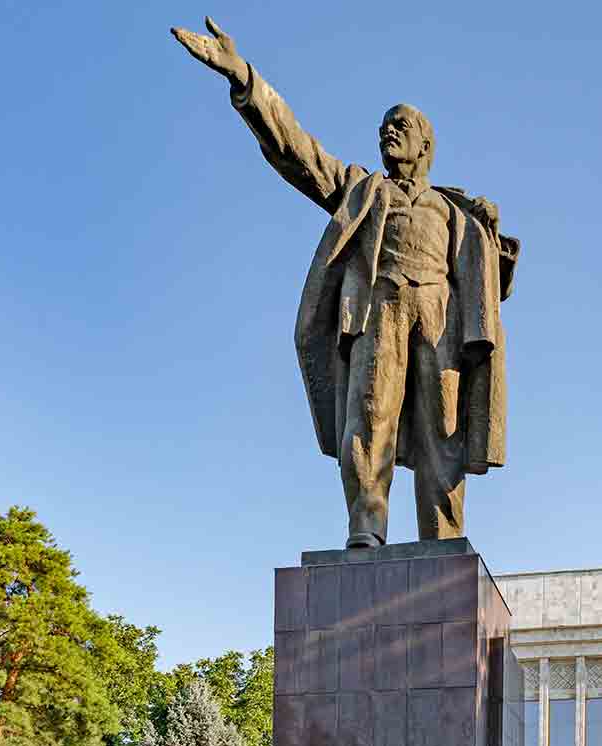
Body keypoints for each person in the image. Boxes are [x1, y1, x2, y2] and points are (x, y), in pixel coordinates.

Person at [170, 18, 520, 549]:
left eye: (400, 124)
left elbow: (496, 285)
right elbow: (298, 153)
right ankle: (367, 528)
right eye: (383, 126)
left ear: (426, 144)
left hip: (439, 316)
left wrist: (491, 237)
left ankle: (442, 540)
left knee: (442, 431)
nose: (388, 131)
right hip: (378, 309)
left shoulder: (456, 211)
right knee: (368, 419)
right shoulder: (362, 190)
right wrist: (243, 78)